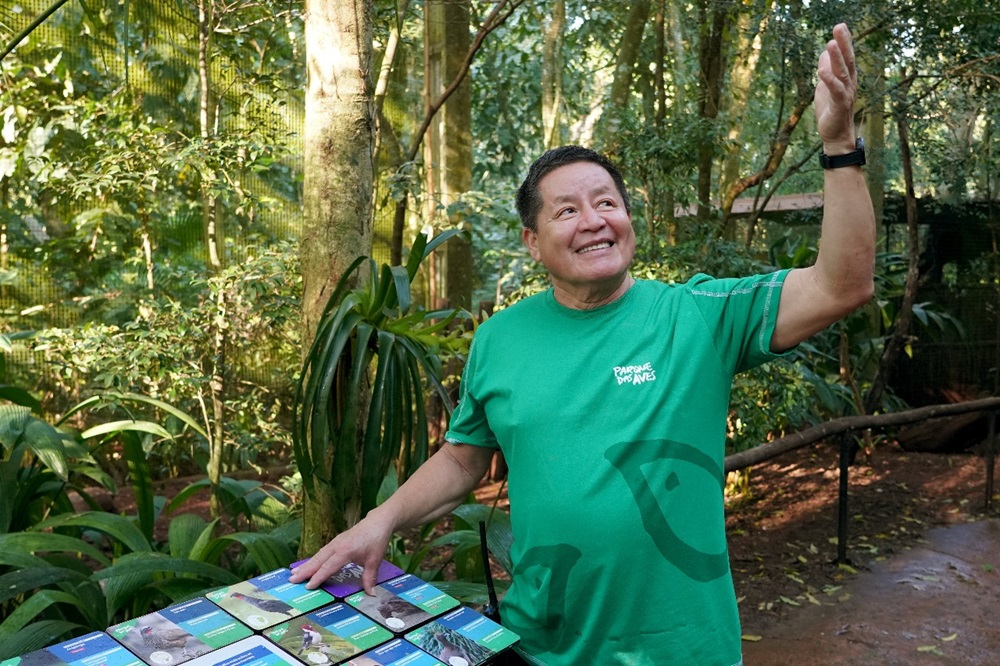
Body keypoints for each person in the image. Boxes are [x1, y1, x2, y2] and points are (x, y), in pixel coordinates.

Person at [290, 23, 875, 666]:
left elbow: (840, 285)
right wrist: (380, 520)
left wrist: (839, 143)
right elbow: (464, 461)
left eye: (607, 203)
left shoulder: (697, 315)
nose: (594, 220)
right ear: (532, 242)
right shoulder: (499, 339)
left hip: (684, 651)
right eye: (567, 211)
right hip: (543, 645)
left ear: (628, 220)